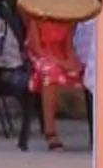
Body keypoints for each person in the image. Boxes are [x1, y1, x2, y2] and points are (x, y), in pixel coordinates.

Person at [29, 14, 87, 151]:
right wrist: (60, 63)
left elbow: (68, 48)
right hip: (42, 57)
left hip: (60, 56)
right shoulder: (36, 19)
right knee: (51, 74)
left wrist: (72, 62)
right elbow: (37, 50)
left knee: (88, 71)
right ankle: (50, 132)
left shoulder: (67, 19)